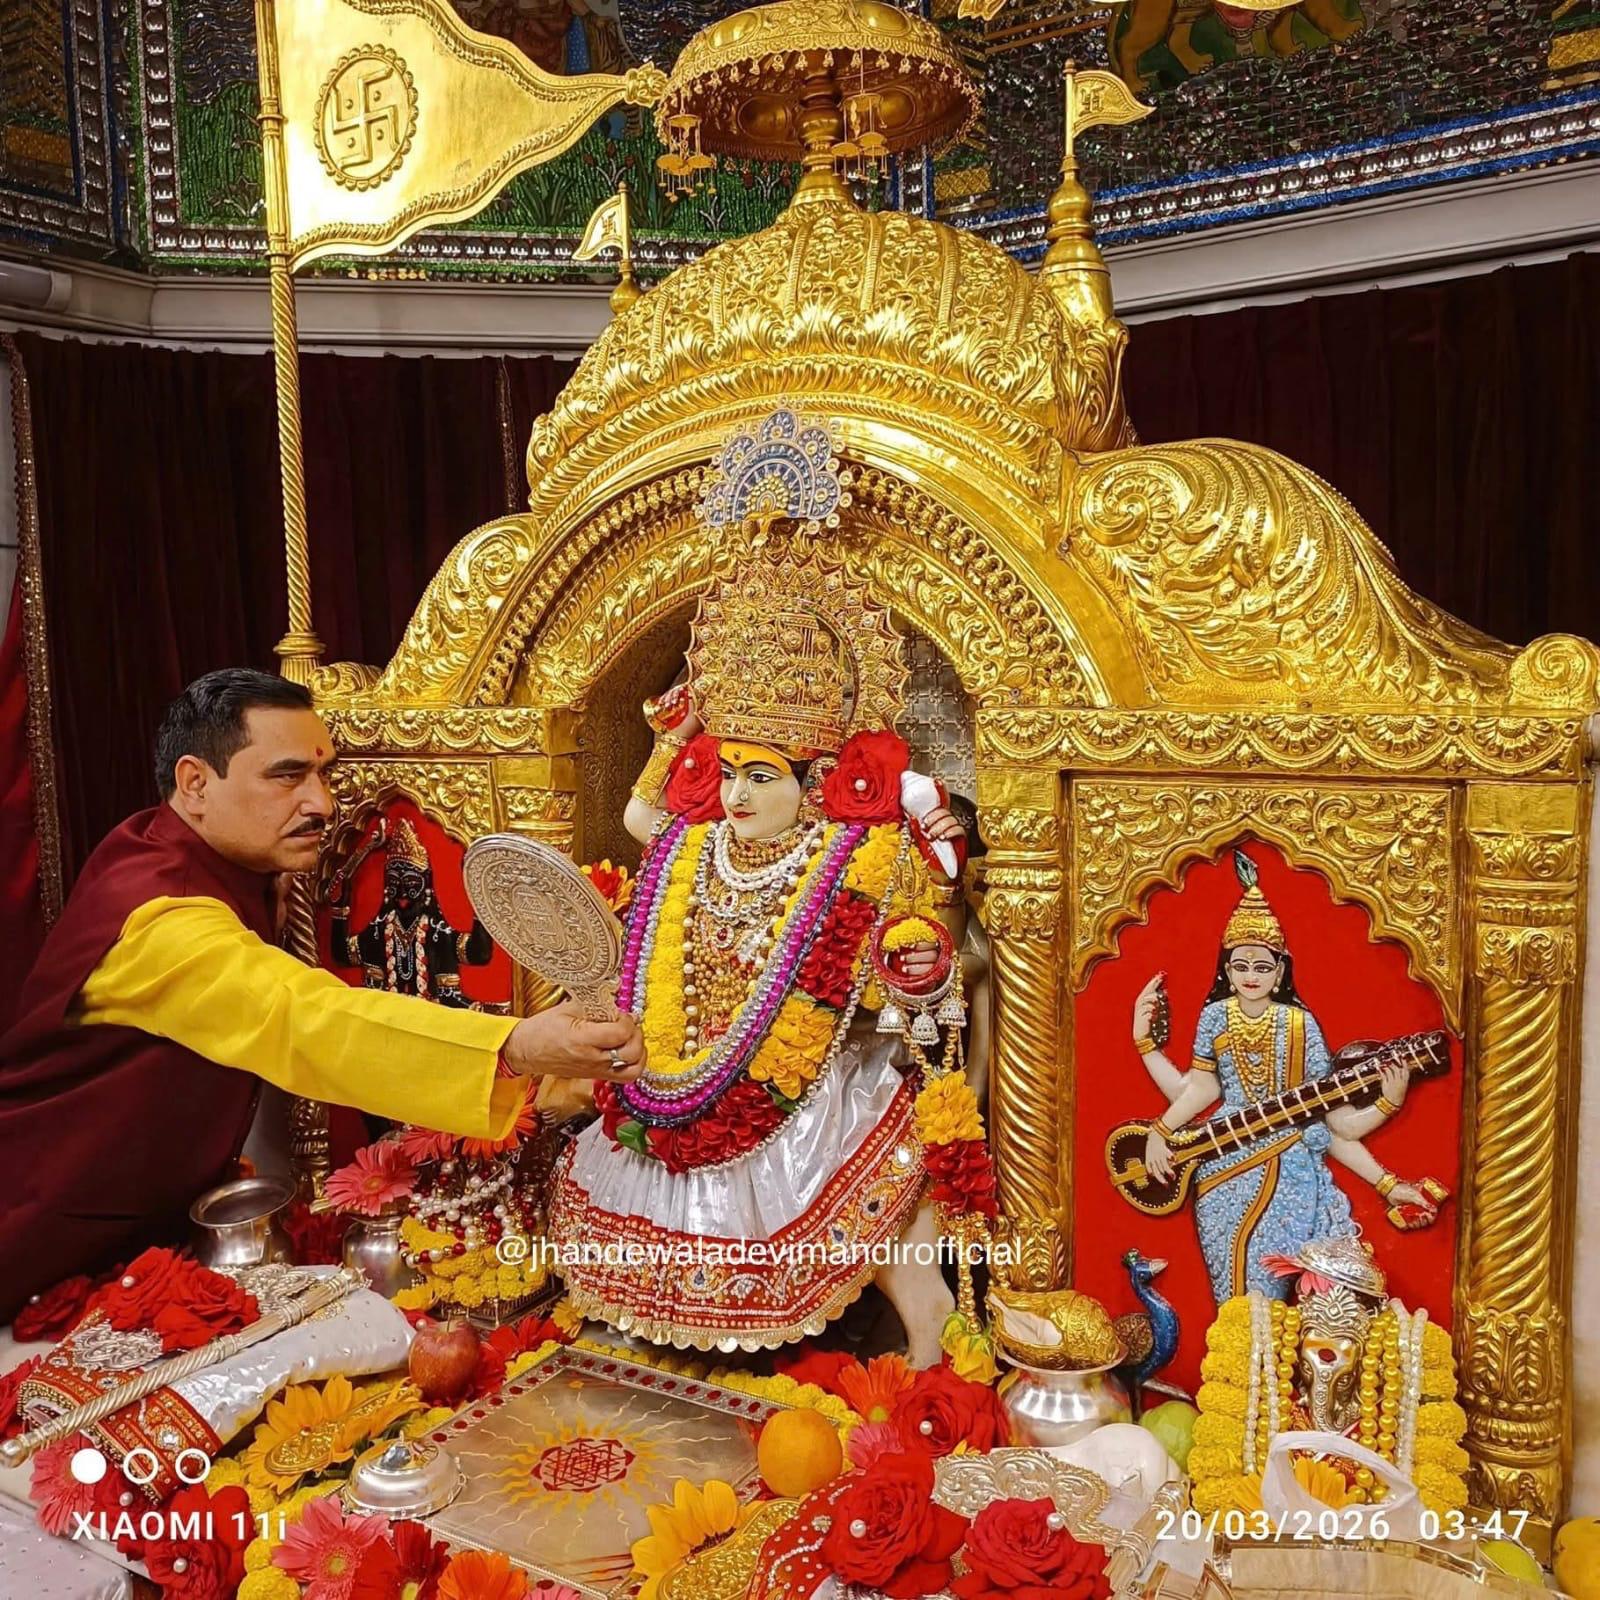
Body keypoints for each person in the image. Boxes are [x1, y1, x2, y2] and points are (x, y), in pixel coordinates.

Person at [0, 669, 644, 1320]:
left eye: (324, 774)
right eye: (286, 776)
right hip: (41, 1239)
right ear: (195, 784)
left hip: (144, 1227)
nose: (323, 804)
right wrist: (521, 1044)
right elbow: (305, 1018)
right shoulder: (154, 919)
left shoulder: (203, 857)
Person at [1130, 850, 1435, 1305]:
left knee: (1268, 1294)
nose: (1251, 975)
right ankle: (1230, 1373)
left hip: (1288, 1170)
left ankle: (1265, 1374)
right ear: (1228, 971)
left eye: (1263, 966)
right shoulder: (1215, 1018)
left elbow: (1334, 1126)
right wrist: (1148, 1060)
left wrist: (1386, 1108)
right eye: (1240, 965)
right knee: (1229, 1297)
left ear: (1279, 971)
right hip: (1220, 1167)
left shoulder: (1298, 1025)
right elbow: (1197, 1091)